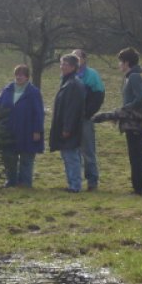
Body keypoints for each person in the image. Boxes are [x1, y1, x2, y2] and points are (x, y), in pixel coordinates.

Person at [0, 64, 45, 188]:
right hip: (8, 129)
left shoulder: (34, 92)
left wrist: (37, 130)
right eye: (17, 74)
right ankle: (11, 181)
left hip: (27, 130)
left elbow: (38, 113)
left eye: (22, 75)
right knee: (9, 157)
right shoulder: (7, 89)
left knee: (26, 158)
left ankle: (25, 183)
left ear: (27, 77)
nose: (19, 77)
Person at [116, 47, 142, 196]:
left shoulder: (134, 76)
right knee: (135, 155)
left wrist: (126, 108)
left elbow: (141, 96)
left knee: (136, 156)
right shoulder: (132, 76)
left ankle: (140, 189)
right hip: (131, 120)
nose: (119, 65)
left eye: (120, 62)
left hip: (134, 121)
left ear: (126, 62)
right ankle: (139, 187)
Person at [49, 54, 86, 193]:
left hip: (70, 128)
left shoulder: (73, 84)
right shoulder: (68, 82)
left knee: (71, 156)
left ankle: (75, 185)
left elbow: (72, 109)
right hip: (67, 126)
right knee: (68, 155)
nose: (61, 67)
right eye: (61, 64)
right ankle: (72, 183)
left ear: (72, 67)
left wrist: (67, 128)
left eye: (64, 64)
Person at [71, 49, 105, 191]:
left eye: (78, 57)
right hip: (72, 119)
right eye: (73, 57)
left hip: (85, 118)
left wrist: (87, 113)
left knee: (88, 150)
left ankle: (92, 181)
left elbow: (99, 95)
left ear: (84, 59)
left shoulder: (92, 75)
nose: (76, 59)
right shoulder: (69, 75)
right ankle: (75, 181)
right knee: (73, 150)